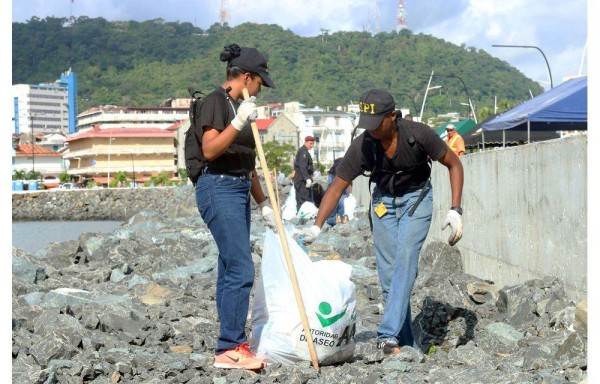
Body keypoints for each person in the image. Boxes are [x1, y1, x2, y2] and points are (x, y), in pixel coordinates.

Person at [298, 89, 464, 356]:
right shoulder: (364, 145)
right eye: (367, 124)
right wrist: (317, 226)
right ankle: (405, 344)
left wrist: (456, 209)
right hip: (383, 203)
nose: (371, 130)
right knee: (389, 276)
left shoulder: (419, 135)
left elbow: (454, 164)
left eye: (376, 123)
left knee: (406, 258)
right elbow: (337, 187)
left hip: (416, 199)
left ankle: (386, 335)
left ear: (392, 117)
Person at [194, 43, 277, 371]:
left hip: (239, 188)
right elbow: (211, 149)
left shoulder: (241, 107)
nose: (260, 90)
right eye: (259, 83)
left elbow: (247, 164)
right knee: (242, 267)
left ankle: (229, 344)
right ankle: (230, 347)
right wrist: (239, 120)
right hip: (217, 186)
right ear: (246, 77)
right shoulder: (215, 102)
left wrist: (264, 205)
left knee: (230, 267)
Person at [326, 157, 352, 226]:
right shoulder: (344, 165)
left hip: (334, 195)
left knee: (330, 217)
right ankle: (339, 219)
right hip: (339, 195)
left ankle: (337, 219)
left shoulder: (346, 163)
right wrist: (349, 194)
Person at [293, 136, 315, 211]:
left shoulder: (304, 151)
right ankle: (302, 217)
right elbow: (303, 167)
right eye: (310, 143)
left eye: (312, 144)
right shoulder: (304, 152)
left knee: (303, 199)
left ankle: (302, 216)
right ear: (305, 142)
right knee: (304, 199)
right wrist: (307, 179)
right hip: (302, 181)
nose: (311, 145)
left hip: (301, 180)